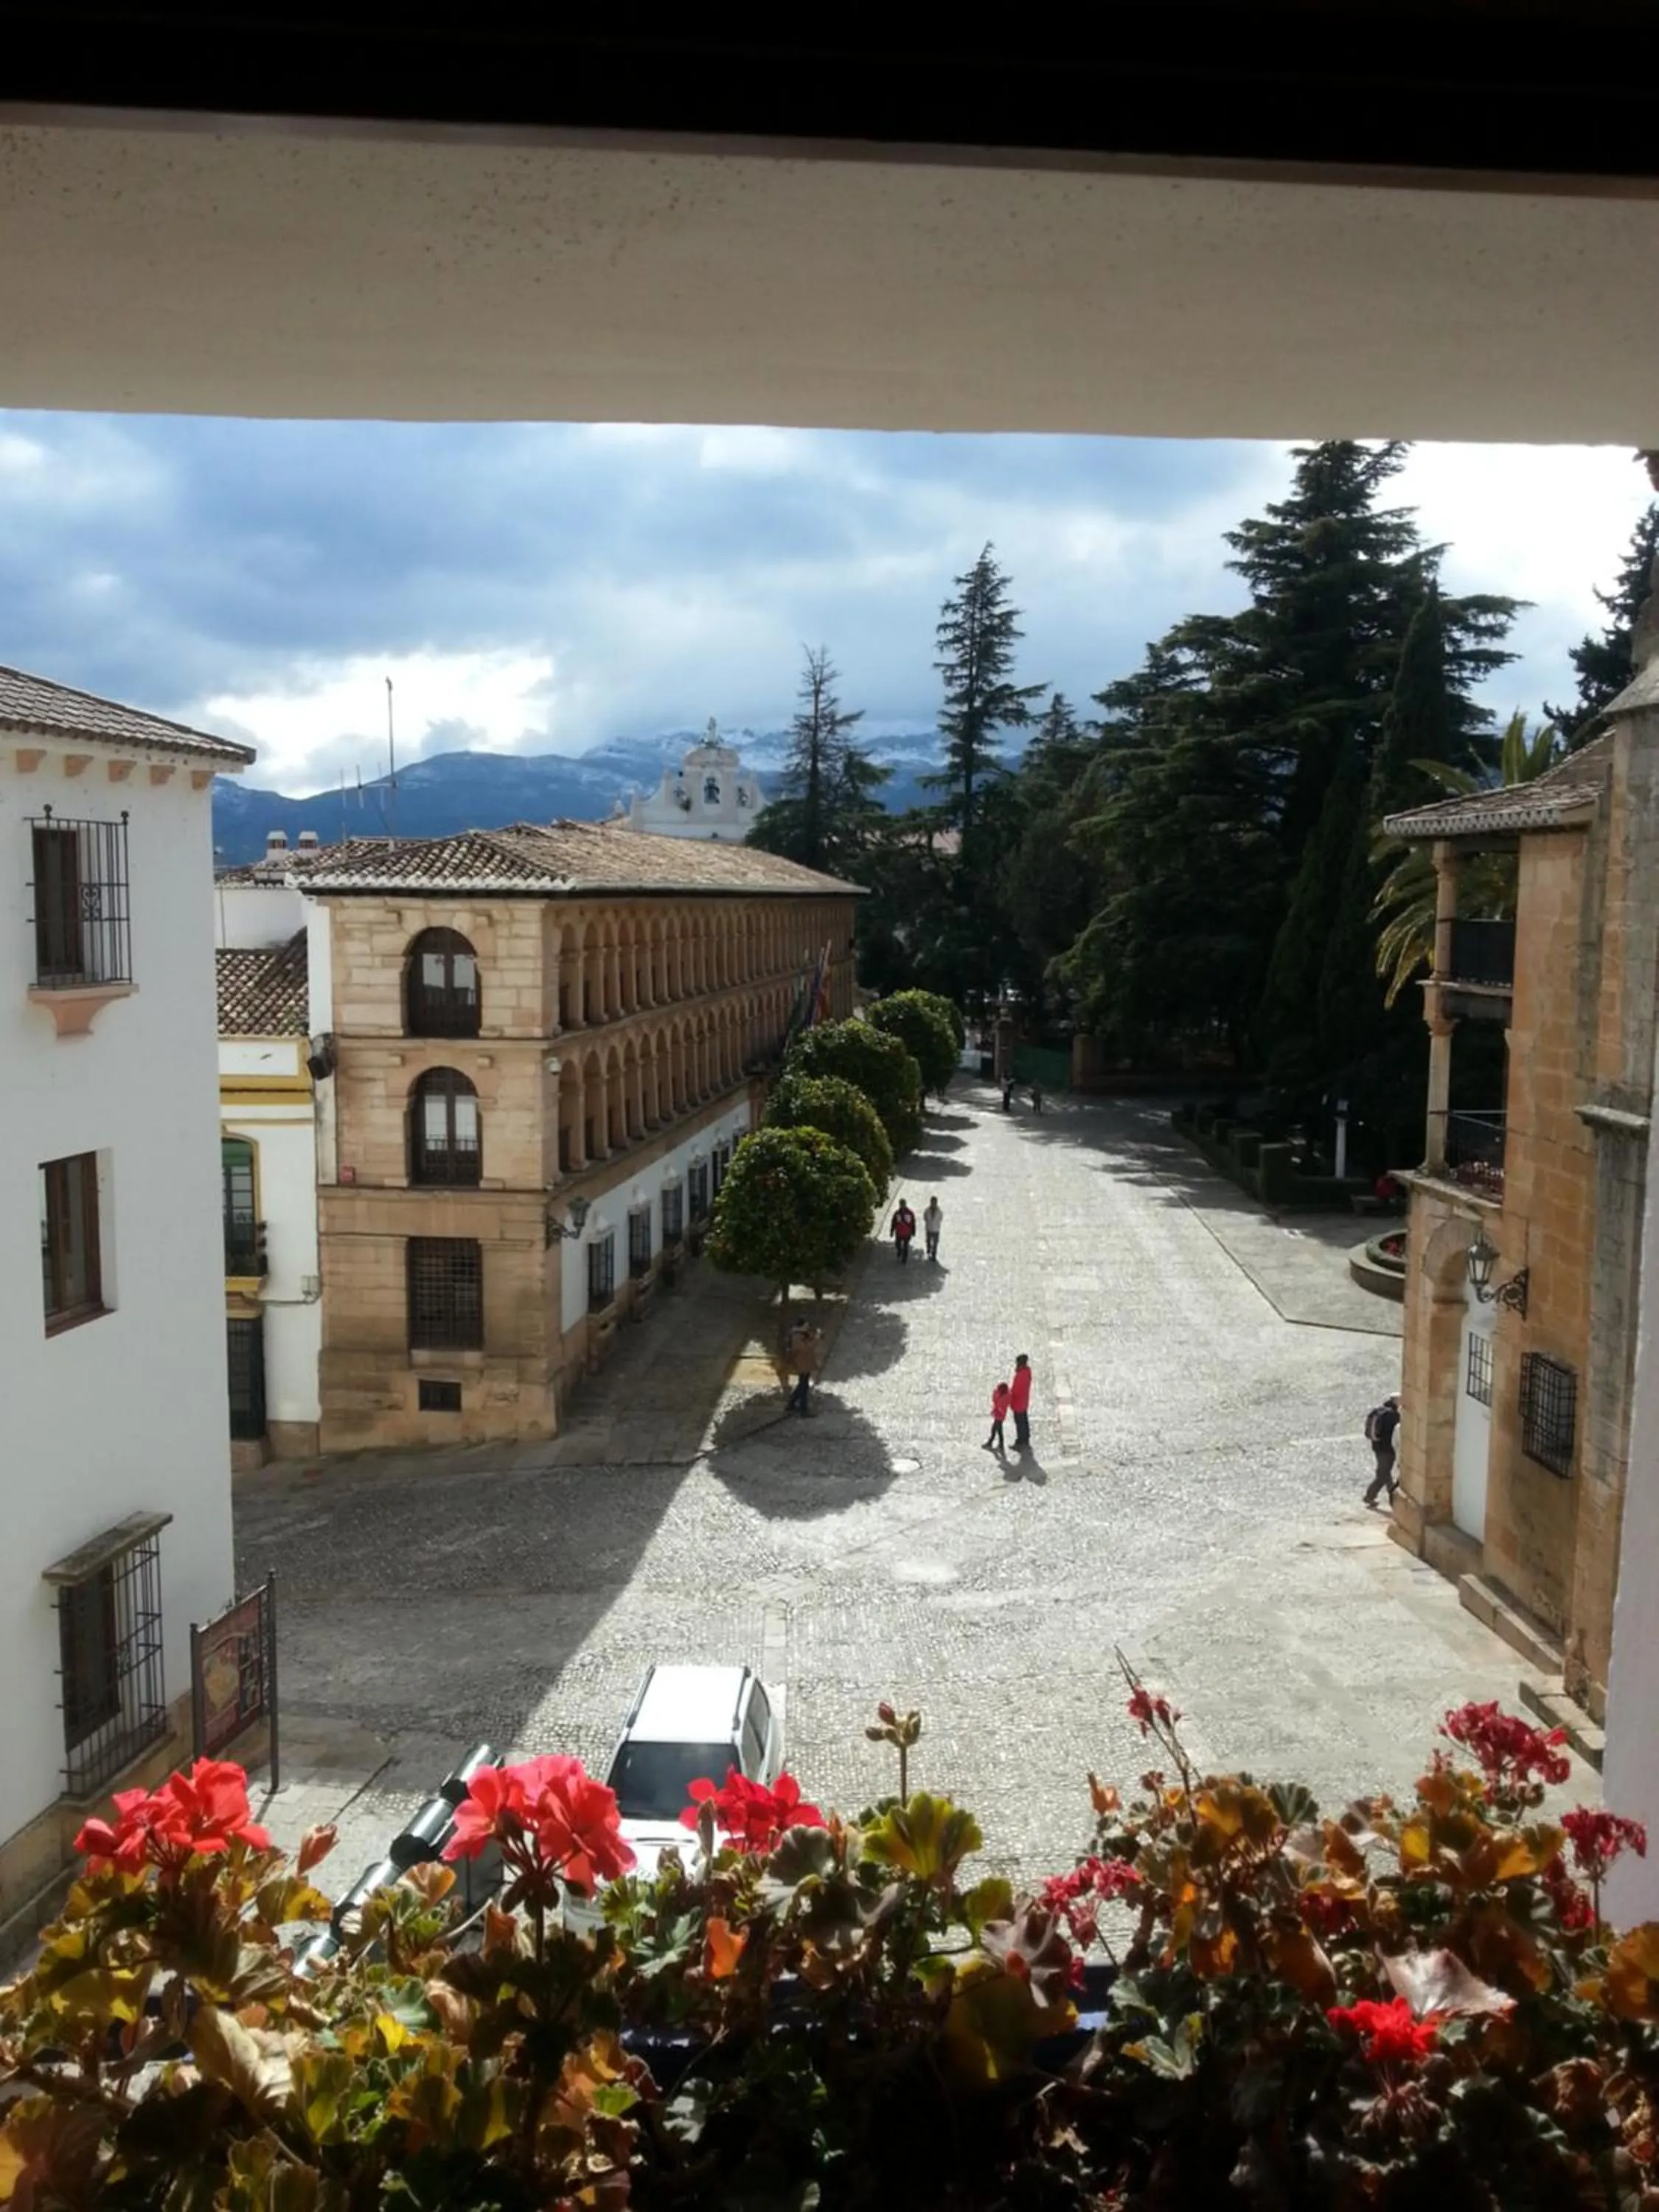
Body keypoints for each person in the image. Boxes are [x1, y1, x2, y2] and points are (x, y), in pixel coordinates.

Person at [1363, 1394, 1401, 1505]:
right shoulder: (1393, 1415)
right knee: (1383, 1475)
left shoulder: (1378, 1411)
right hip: (1387, 1449)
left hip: (1377, 1447)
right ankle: (1369, 1496)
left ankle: (1392, 1497)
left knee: (1386, 1473)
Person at [785, 1315, 822, 1415]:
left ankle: (792, 1403)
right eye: (806, 1326)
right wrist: (816, 1339)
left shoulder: (801, 1334)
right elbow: (806, 1348)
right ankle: (803, 1409)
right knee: (804, 1386)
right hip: (802, 1363)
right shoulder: (797, 1337)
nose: (808, 1328)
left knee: (803, 1384)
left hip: (805, 1363)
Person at [1009, 1353, 1033, 1451]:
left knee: (1020, 1422)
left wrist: (1010, 1396)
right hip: (1024, 1401)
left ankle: (1021, 1441)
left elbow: (1016, 1390)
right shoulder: (1027, 1372)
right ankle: (1026, 1437)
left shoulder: (1020, 1375)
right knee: (1024, 1419)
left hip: (1018, 1402)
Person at [984, 1377, 1011, 1453]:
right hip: (999, 1415)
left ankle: (993, 1443)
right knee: (997, 1429)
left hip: (1000, 1416)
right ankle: (998, 1444)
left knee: (997, 1430)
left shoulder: (1004, 1398)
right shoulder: (1004, 1396)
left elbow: (998, 1403)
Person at [891, 1199, 917, 1265]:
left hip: (907, 1233)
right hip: (899, 1232)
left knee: (906, 1245)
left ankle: (904, 1258)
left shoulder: (910, 1213)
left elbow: (913, 1222)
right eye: (901, 1204)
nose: (902, 1206)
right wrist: (892, 1230)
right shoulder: (897, 1213)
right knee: (897, 1244)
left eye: (903, 1204)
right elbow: (894, 1222)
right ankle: (900, 1250)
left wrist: (913, 1231)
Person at [923, 1196, 942, 1262]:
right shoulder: (927, 1211)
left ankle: (934, 1255)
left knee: (935, 1243)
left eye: (935, 1203)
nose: (933, 1204)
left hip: (936, 1230)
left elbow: (940, 1218)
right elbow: (925, 1218)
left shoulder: (939, 1211)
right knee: (928, 1241)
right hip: (929, 1229)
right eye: (932, 1202)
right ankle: (929, 1250)